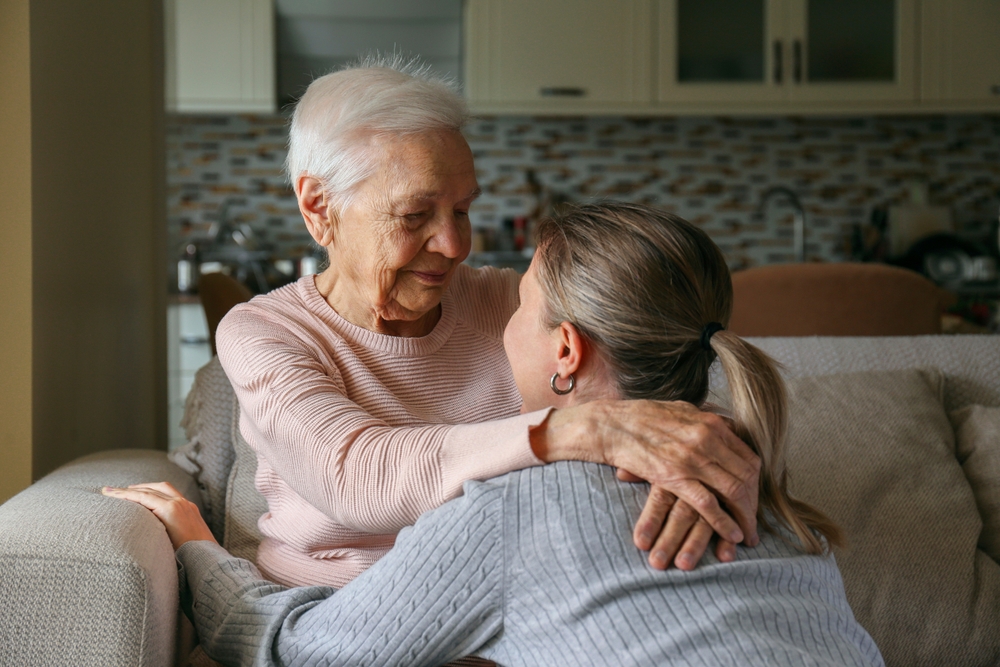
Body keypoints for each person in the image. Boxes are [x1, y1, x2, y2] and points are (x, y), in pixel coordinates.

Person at [106, 202, 884, 667]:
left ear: (567, 350)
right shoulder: (767, 498)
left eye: (519, 306)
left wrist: (195, 543)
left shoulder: (517, 510)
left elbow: (299, 650)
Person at [207, 54, 759, 589]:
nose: (454, 245)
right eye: (414, 215)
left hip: (509, 616)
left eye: (463, 210)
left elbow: (657, 367)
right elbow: (355, 476)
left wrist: (713, 460)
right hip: (333, 620)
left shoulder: (514, 305)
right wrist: (580, 429)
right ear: (318, 208)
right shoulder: (265, 333)